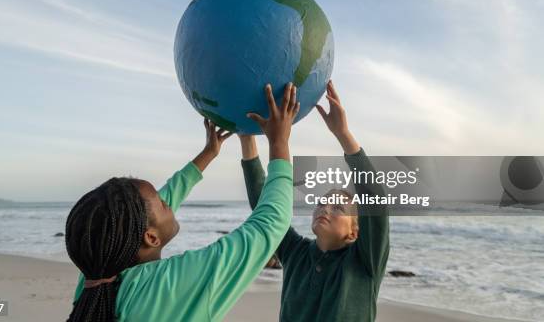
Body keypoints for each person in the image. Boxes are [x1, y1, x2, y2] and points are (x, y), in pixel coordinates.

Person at [66, 83, 300, 322]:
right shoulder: (168, 286)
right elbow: (270, 222)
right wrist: (279, 141)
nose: (167, 200)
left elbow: (146, 212)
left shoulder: (94, 280)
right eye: (161, 202)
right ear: (151, 238)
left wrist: (208, 153)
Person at [239, 80, 390, 322]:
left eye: (338, 208)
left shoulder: (364, 262)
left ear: (354, 232)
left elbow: (375, 201)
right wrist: (247, 136)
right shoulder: (295, 252)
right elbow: (265, 209)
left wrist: (343, 134)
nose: (325, 209)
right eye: (321, 203)